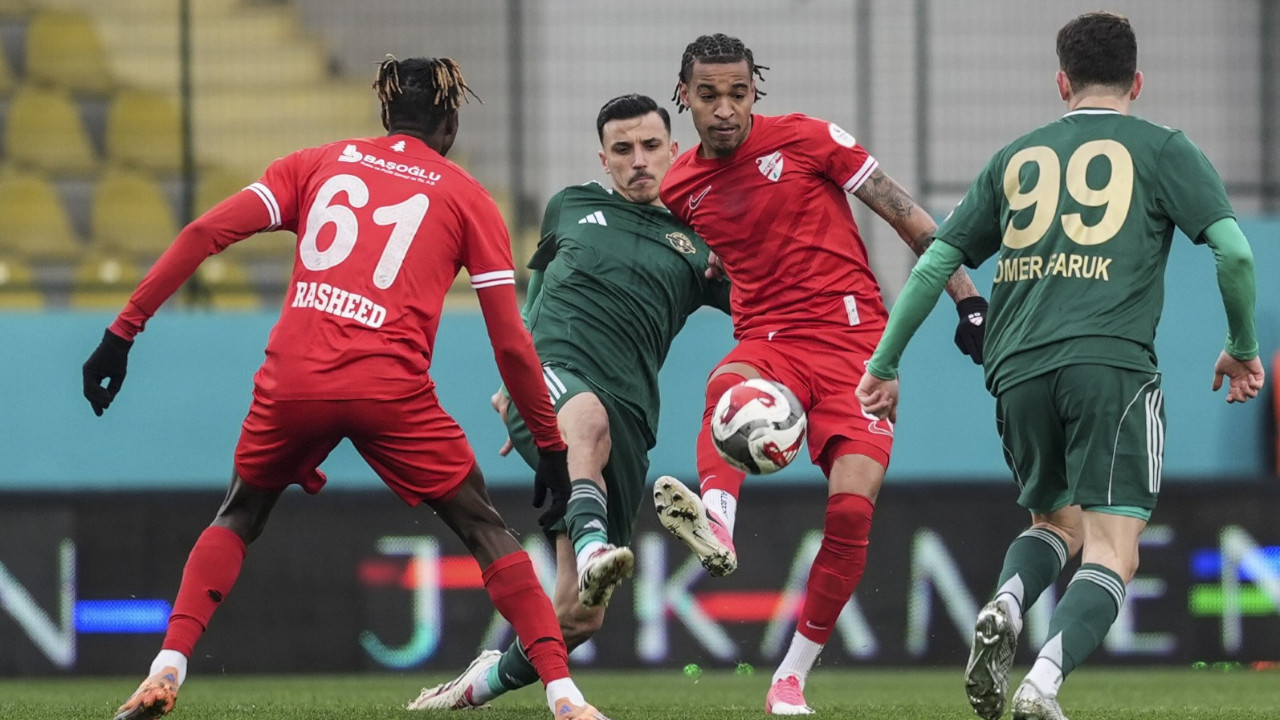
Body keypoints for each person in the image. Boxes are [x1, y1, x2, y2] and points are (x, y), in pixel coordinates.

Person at [81, 56, 610, 720]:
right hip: (390, 389)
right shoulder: (468, 197)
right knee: (484, 527)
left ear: (386, 115)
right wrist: (552, 450)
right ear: (447, 125)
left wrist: (122, 333)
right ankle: (565, 697)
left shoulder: (314, 164)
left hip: (294, 376)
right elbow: (509, 342)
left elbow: (202, 233)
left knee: (239, 514)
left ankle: (166, 667)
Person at [854, 12, 1264, 720]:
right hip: (1109, 364)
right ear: (1137, 81)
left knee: (1056, 522)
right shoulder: (1164, 147)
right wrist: (1244, 346)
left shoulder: (1015, 157)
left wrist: (886, 362)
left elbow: (936, 263)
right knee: (1114, 547)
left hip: (1015, 368)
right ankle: (1042, 684)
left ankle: (1008, 602)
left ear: (1061, 82)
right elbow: (1235, 252)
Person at [651, 33, 987, 715]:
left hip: (857, 348)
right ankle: (716, 518)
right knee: (726, 387)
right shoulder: (679, 187)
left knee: (851, 511)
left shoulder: (809, 140)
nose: (724, 110)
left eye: (738, 94)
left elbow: (906, 216)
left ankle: (790, 678)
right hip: (770, 342)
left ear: (755, 92)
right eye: (708, 95)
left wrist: (969, 299)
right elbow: (729, 243)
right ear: (683, 96)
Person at [409, 93, 731, 710]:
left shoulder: (701, 244)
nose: (639, 161)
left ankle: (473, 686)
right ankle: (592, 548)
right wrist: (519, 375)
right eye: (623, 150)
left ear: (674, 150)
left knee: (579, 618)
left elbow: (764, 307)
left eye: (651, 147)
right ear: (603, 159)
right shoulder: (570, 206)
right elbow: (538, 292)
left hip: (630, 418)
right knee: (585, 417)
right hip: (555, 386)